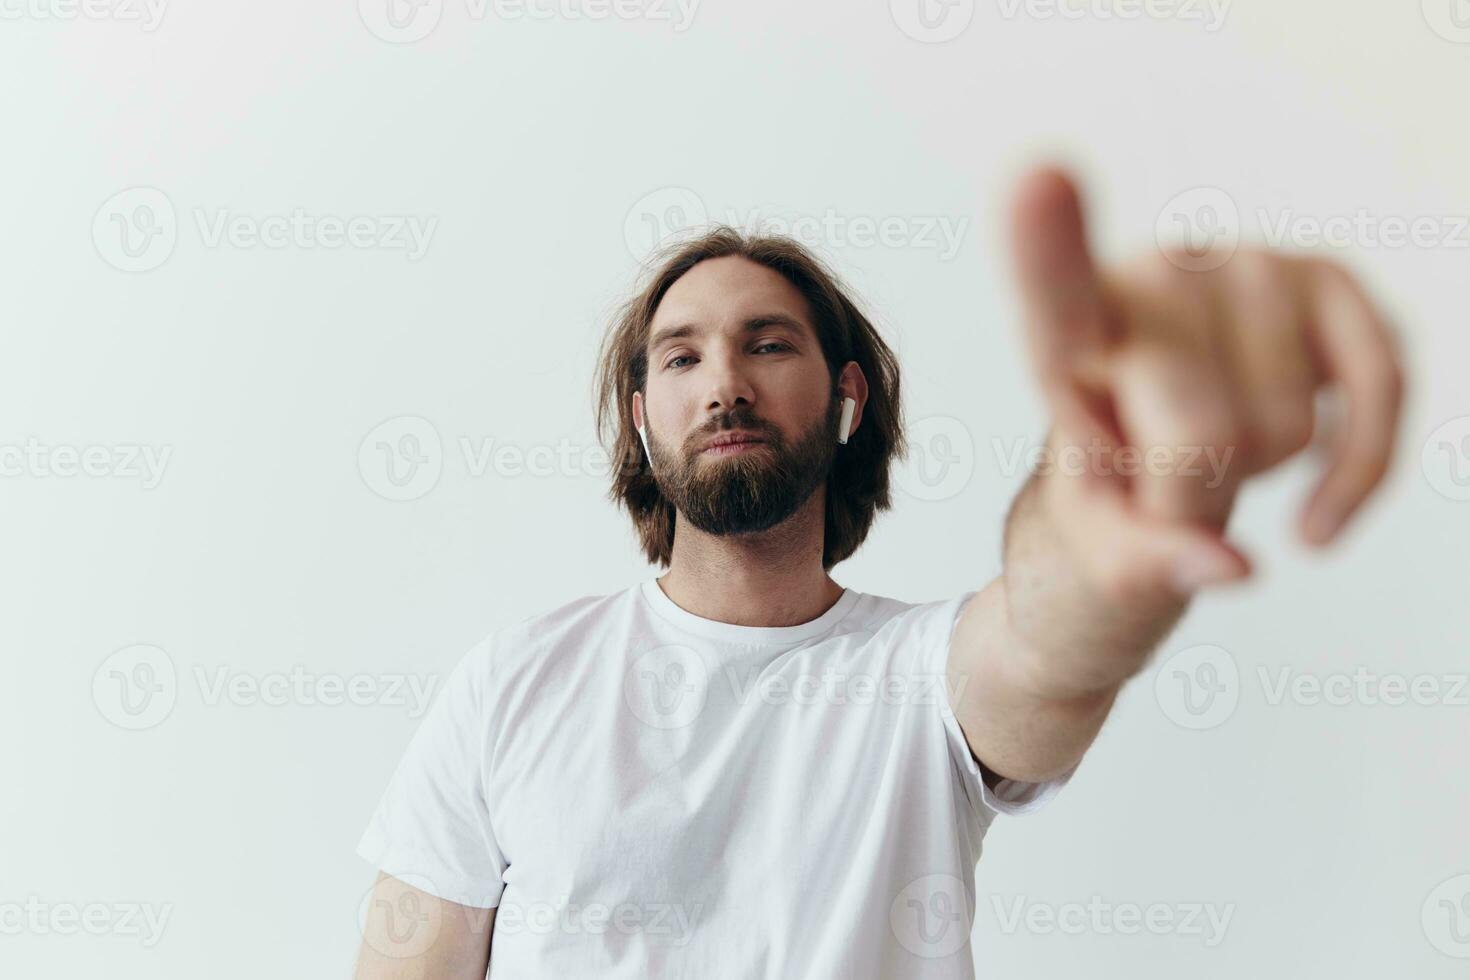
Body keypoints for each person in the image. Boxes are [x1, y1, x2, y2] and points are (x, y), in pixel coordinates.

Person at [351, 168, 1405, 979]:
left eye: (768, 345)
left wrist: (1103, 505)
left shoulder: (926, 675)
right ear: (641, 414)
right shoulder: (514, 681)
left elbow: (1046, 638)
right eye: (680, 356)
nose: (724, 382)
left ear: (846, 396)